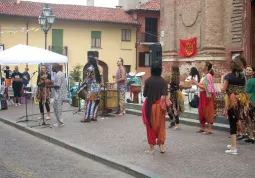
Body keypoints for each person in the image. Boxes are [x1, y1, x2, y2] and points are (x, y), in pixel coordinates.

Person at [221, 60, 250, 154]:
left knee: (232, 123)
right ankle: (234, 143)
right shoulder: (243, 76)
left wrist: (222, 80)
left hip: (232, 102)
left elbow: (223, 89)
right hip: (240, 101)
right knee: (237, 120)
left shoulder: (229, 76)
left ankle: (233, 148)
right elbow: (244, 88)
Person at [142, 61, 169, 154]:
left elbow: (145, 94)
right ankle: (161, 147)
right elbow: (165, 94)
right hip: (160, 107)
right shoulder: (163, 81)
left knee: (150, 127)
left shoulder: (148, 81)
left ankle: (152, 149)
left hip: (150, 106)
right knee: (161, 127)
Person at [192, 62, 216, 134]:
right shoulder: (203, 75)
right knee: (201, 110)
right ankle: (202, 127)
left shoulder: (208, 76)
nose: (201, 66)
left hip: (207, 96)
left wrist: (196, 84)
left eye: (202, 65)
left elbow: (207, 88)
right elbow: (202, 85)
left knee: (208, 110)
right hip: (202, 95)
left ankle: (209, 129)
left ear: (206, 67)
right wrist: (196, 82)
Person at [81, 57, 101, 122]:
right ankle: (94, 116)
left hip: (92, 88)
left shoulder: (90, 68)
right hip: (97, 88)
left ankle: (87, 117)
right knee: (96, 102)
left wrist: (83, 84)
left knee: (89, 102)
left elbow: (88, 79)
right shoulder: (97, 68)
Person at [168, 65, 184, 130]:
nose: (170, 69)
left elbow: (175, 86)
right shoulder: (177, 76)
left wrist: (171, 87)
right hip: (174, 94)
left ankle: (176, 124)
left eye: (171, 69)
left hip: (174, 95)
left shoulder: (174, 77)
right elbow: (177, 85)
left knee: (173, 108)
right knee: (171, 108)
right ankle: (173, 122)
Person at [244, 66, 255, 144]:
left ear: (253, 72)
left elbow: (246, 91)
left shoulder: (251, 80)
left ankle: (251, 136)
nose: (247, 71)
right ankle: (251, 136)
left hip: (251, 102)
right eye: (247, 70)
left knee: (250, 119)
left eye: (249, 70)